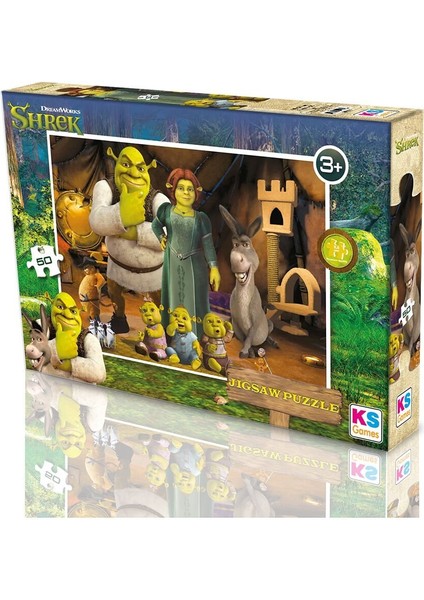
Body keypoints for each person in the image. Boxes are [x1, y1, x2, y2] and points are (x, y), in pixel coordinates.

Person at [89, 146, 169, 333]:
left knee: (160, 300)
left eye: (140, 168)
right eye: (126, 165)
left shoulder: (157, 198)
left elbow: (169, 233)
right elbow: (96, 220)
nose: (133, 173)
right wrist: (121, 214)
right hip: (118, 268)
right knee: (115, 293)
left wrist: (132, 232)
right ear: (116, 164)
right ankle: (119, 318)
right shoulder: (106, 187)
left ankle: (165, 328)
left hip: (153, 273)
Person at [152, 168, 220, 336]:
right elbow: (156, 225)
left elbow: (208, 244)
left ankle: (195, 339)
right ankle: (172, 338)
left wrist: (214, 268)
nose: (186, 193)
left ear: (196, 192)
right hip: (172, 262)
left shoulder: (201, 219)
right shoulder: (166, 211)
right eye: (181, 188)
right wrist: (161, 237)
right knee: (172, 298)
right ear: (173, 190)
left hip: (195, 266)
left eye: (190, 189)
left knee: (193, 301)